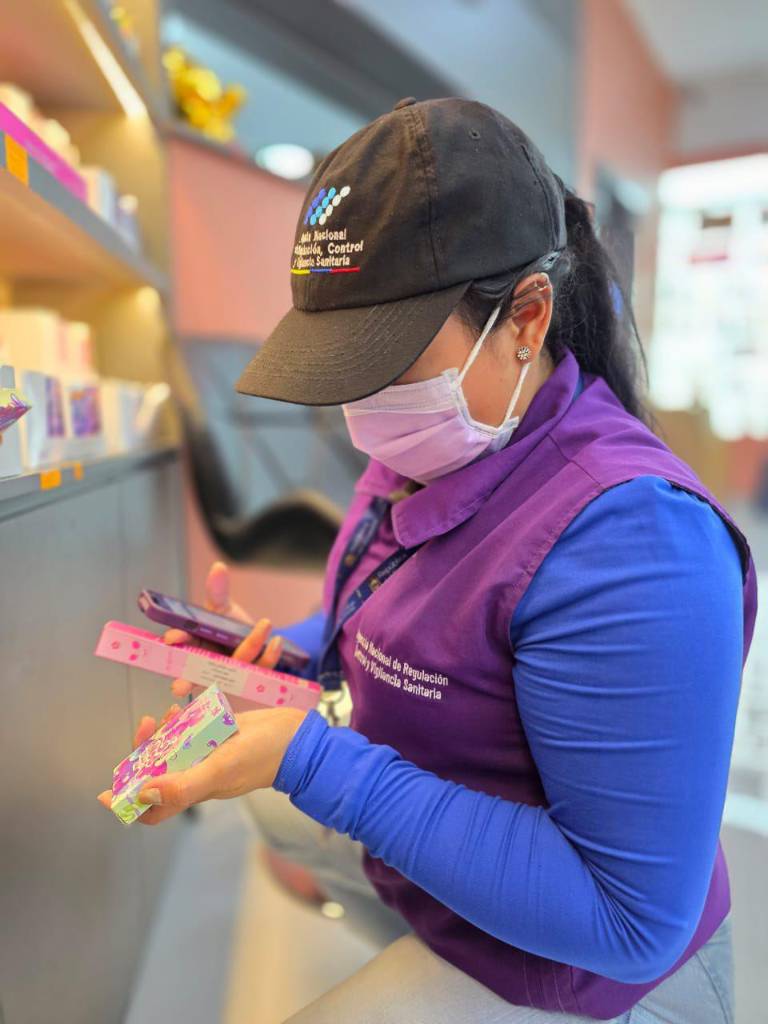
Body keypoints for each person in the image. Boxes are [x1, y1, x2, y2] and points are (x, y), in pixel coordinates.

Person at [98, 98, 757, 1023]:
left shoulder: (636, 543)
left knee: (285, 796)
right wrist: (286, 653)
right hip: (458, 862)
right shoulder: (428, 445)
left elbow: (627, 918)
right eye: (341, 364)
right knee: (263, 802)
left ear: (527, 317)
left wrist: (309, 756)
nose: (360, 404)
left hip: (600, 974)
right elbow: (391, 609)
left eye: (388, 357)